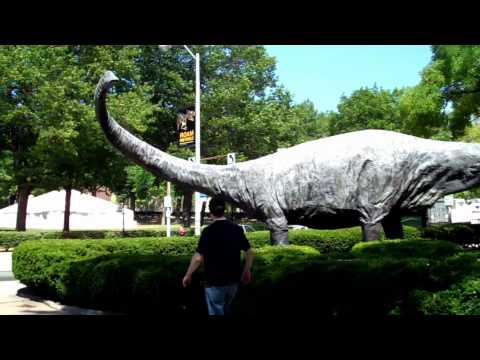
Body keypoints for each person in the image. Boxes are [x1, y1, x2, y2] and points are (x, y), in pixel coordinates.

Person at [182, 195, 254, 316]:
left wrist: (188, 275)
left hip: (214, 282)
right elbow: (250, 252)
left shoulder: (207, 231)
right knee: (228, 310)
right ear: (224, 210)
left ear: (210, 211)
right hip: (233, 281)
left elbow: (198, 258)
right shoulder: (236, 229)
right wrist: (247, 271)